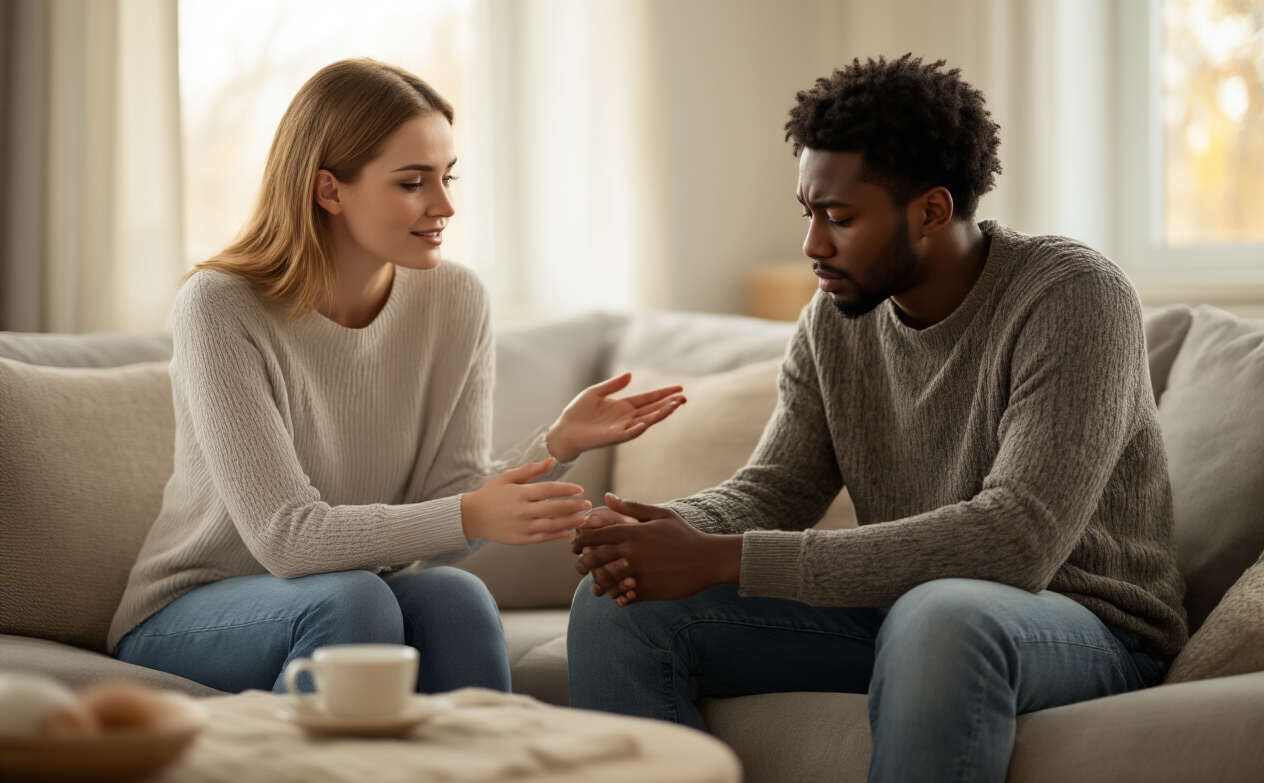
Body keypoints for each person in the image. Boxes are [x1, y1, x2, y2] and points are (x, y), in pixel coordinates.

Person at [566, 55, 1186, 783]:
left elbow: (1018, 539)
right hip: (914, 607)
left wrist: (726, 557)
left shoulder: (1074, 296)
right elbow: (774, 489)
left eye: (841, 217)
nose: (812, 246)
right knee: (617, 605)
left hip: (1084, 623)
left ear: (929, 209)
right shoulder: (834, 324)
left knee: (943, 616)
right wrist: (656, 531)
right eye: (809, 213)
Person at [107, 58, 685, 696]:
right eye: (413, 182)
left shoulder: (455, 298)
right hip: (193, 610)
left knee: (453, 596)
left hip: (350, 594)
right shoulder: (220, 305)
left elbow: (450, 509)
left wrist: (556, 448)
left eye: (447, 176)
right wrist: (468, 512)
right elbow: (285, 540)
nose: (444, 205)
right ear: (329, 190)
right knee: (355, 601)